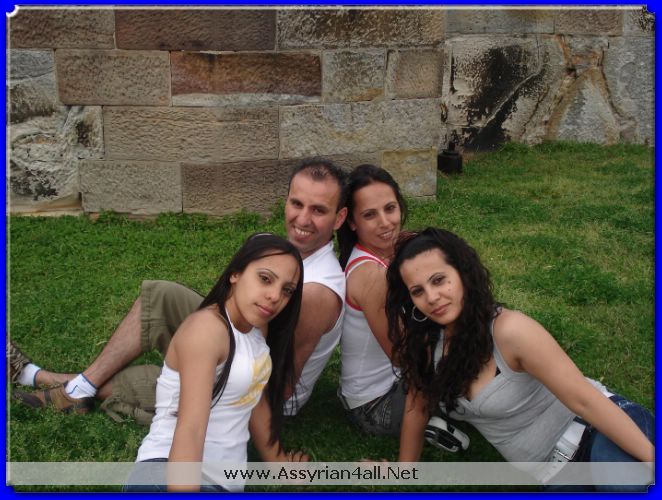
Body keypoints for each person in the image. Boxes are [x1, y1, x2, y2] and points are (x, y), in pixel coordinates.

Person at [12, 158, 348, 422]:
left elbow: (280, 384)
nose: (303, 219)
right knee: (161, 296)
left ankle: (50, 381)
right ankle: (79, 385)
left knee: (162, 378)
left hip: (251, 392)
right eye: (297, 203)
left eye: (318, 210)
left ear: (338, 218)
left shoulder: (317, 292)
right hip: (238, 341)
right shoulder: (278, 252)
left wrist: (203, 360)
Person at [385, 227, 654, 491]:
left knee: (626, 486)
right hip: (555, 474)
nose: (431, 297)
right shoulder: (427, 345)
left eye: (438, 280)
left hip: (594, 431)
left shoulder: (510, 331)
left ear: (463, 273)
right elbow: (417, 407)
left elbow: (585, 401)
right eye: (417, 291)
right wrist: (403, 472)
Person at [123, 232, 307, 492]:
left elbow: (253, 397)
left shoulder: (257, 327)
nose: (275, 296)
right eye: (265, 279)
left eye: (286, 290)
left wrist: (278, 464)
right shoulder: (206, 330)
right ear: (235, 274)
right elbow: (191, 429)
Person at [335, 164, 408, 436]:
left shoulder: (384, 254)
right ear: (352, 222)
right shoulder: (372, 275)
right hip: (376, 406)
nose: (385, 222)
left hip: (376, 391)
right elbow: (403, 356)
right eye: (369, 215)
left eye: (390, 208)